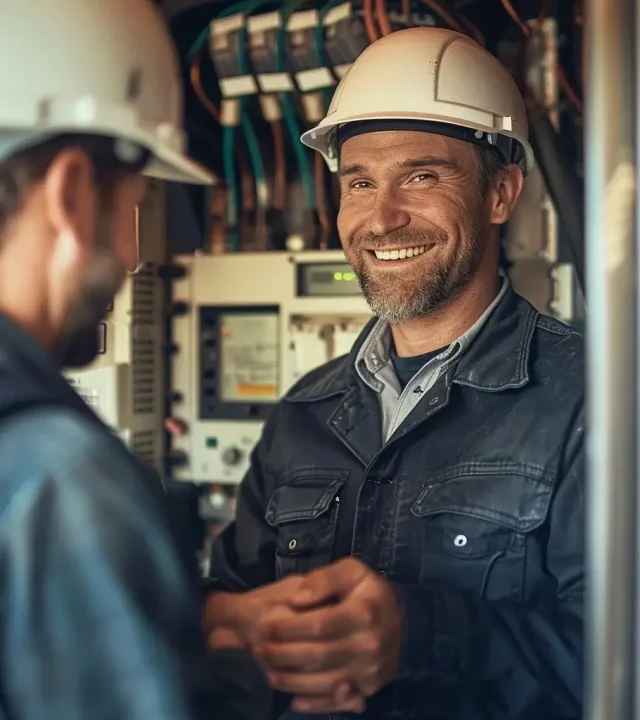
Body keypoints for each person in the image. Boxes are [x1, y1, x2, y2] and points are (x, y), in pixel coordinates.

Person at [204, 26, 584, 720]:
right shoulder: (303, 414)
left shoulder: (594, 402)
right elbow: (232, 609)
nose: (381, 218)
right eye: (359, 182)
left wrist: (420, 635)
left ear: (501, 194)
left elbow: (617, 665)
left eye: (421, 176)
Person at [0, 1, 271, 718]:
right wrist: (241, 669)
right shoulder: (57, 476)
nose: (134, 253)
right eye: (138, 205)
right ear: (71, 193)